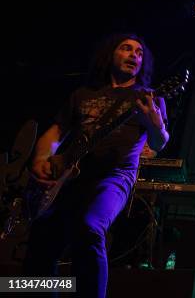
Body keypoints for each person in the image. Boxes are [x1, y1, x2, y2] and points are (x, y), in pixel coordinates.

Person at [24, 33, 169, 297]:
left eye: (139, 53)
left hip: (114, 177)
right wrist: (40, 160)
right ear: (110, 55)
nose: (134, 55)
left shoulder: (149, 98)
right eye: (127, 49)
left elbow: (160, 142)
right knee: (40, 244)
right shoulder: (83, 94)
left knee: (90, 227)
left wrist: (154, 121)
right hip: (70, 177)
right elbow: (56, 132)